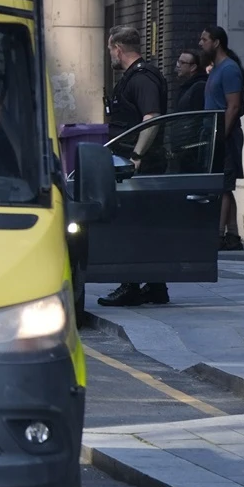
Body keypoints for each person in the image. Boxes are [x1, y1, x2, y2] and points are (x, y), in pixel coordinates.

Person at [98, 26, 170, 307]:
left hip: (139, 166)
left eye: (110, 50)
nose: (110, 56)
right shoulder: (133, 78)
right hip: (130, 163)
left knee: (131, 226)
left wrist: (137, 156)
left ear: (117, 48)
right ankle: (155, 286)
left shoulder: (142, 79)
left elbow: (151, 117)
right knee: (145, 226)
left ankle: (130, 285)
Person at [199, 25, 244, 252]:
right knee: (225, 187)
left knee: (222, 186)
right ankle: (233, 235)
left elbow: (233, 106)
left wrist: (221, 136)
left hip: (224, 135)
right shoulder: (216, 69)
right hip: (214, 133)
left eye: (205, 39)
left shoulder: (229, 69)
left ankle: (218, 235)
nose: (201, 43)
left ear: (216, 42)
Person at [173, 47, 207, 113]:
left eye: (182, 62)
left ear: (193, 67)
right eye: (178, 61)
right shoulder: (186, 85)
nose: (178, 65)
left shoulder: (200, 87)